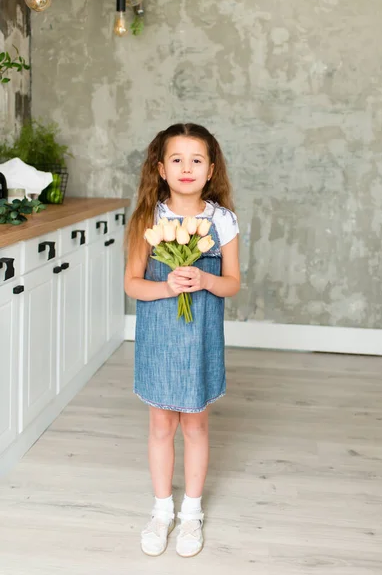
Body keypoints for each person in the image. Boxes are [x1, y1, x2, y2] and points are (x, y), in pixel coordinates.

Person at [124, 123, 240, 558]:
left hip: (201, 337)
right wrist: (169, 286)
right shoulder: (147, 219)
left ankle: (191, 513)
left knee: (195, 423)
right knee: (160, 425)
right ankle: (162, 511)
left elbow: (232, 284)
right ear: (161, 168)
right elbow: (133, 285)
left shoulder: (222, 220)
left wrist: (205, 278)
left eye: (196, 160)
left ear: (211, 170)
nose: (186, 168)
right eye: (177, 159)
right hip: (159, 335)